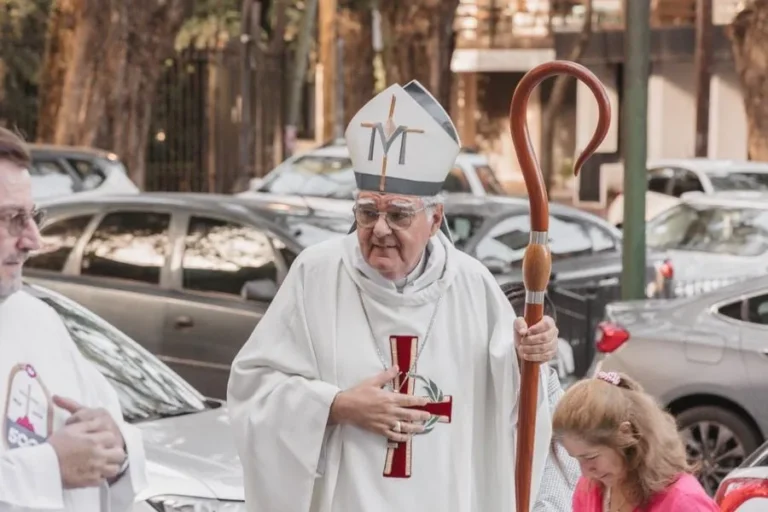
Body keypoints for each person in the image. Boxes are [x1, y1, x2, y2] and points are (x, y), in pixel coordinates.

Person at [227, 80, 579, 512]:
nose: (379, 229)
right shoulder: (316, 275)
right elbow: (253, 390)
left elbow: (513, 405)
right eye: (367, 212)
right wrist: (336, 406)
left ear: (435, 219)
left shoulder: (472, 285)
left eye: (398, 214)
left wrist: (531, 355)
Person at [0, 127, 147, 511]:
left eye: (32, 217)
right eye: (10, 219)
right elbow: (58, 463)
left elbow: (108, 432)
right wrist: (49, 467)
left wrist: (116, 450)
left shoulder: (37, 319)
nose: (33, 241)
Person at [552, 371, 719, 511]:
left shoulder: (684, 502)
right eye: (577, 458)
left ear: (626, 434)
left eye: (591, 457)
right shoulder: (590, 489)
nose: (586, 472)